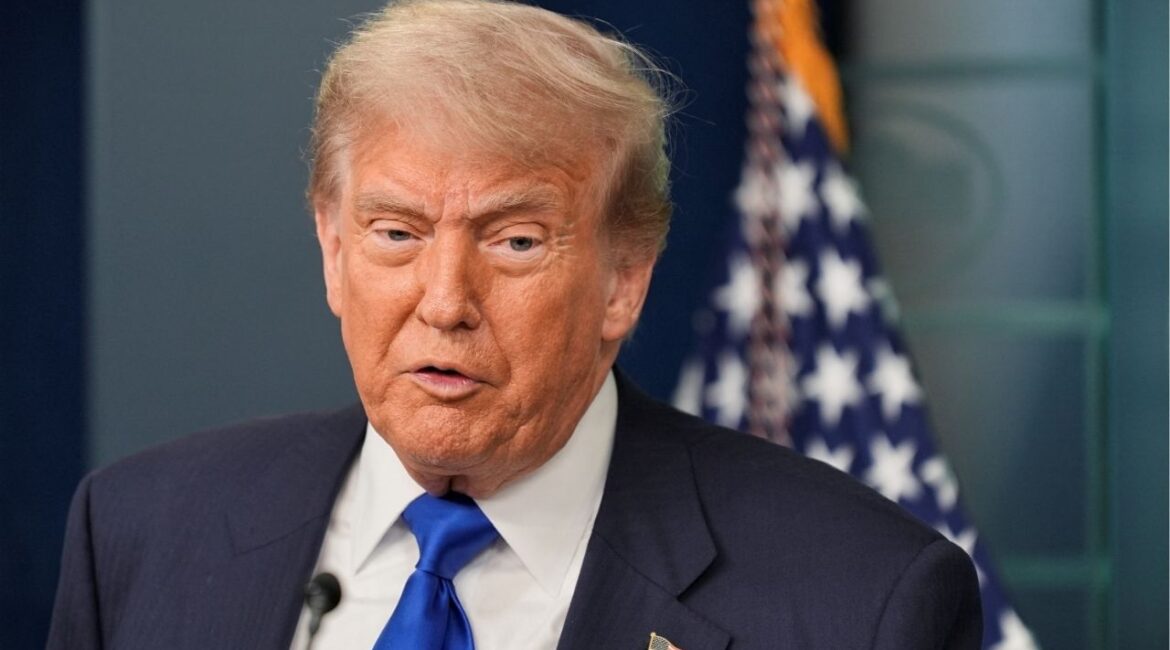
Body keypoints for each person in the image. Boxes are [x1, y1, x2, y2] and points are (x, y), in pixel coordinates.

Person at [47, 1, 981, 648]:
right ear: (333, 250)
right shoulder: (140, 536)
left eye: (516, 241)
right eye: (396, 233)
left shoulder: (860, 601)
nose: (444, 300)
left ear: (625, 280)